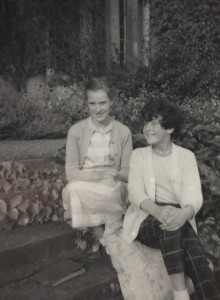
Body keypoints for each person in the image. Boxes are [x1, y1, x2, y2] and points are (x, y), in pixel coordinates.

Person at [62, 77, 173, 300]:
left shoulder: (122, 132)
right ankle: (106, 239)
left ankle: (108, 233)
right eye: (92, 104)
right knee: (72, 191)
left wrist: (112, 175)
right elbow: (71, 172)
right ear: (87, 104)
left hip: (113, 185)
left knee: (111, 192)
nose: (98, 109)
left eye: (102, 103)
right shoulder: (76, 131)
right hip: (85, 182)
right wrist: (96, 174)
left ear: (111, 101)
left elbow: (127, 171)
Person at [123, 99, 220, 300]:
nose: (147, 129)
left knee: (196, 256)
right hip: (146, 216)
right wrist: (159, 211)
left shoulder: (186, 157)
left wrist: (184, 213)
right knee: (168, 226)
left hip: (179, 215)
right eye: (146, 123)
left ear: (170, 128)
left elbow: (194, 194)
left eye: (154, 123)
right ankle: (180, 293)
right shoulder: (138, 155)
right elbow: (135, 192)